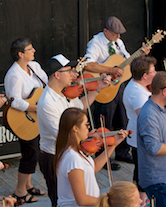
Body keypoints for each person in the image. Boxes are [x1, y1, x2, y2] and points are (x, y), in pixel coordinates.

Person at [37, 54, 111, 207]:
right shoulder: (47, 103)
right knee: (60, 200)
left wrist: (98, 89)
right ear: (57, 75)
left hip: (69, 153)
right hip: (54, 157)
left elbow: (80, 107)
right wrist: (90, 135)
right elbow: (64, 134)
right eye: (68, 71)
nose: (73, 74)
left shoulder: (65, 93)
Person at [84, 16, 151, 170]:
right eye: (115, 33)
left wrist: (141, 55)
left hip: (118, 86)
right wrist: (110, 69)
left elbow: (127, 61)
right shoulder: (96, 43)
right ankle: (101, 157)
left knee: (123, 118)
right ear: (106, 31)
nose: (119, 37)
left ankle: (123, 152)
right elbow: (87, 65)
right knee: (104, 122)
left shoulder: (118, 43)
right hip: (104, 87)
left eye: (120, 34)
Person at [54, 107, 128, 207]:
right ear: (75, 128)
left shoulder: (77, 150)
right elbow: (82, 200)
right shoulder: (72, 158)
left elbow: (93, 167)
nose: (89, 128)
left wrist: (113, 145)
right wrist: (109, 202)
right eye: (86, 124)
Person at [4, 38, 48, 204]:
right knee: (31, 153)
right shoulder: (14, 75)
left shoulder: (34, 66)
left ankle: (28, 185)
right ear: (20, 54)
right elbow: (14, 101)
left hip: (35, 117)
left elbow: (45, 85)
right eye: (30, 49)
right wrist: (37, 108)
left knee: (34, 151)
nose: (34, 50)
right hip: (23, 118)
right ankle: (20, 191)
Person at [123, 56, 157, 206]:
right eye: (153, 71)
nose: (155, 73)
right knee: (144, 172)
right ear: (145, 76)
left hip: (138, 136)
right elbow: (147, 119)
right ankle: (142, 201)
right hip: (142, 138)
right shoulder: (138, 94)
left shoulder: (138, 87)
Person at [137, 71, 166, 207]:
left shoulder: (160, 110)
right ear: (164, 92)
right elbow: (154, 147)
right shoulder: (149, 114)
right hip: (157, 181)